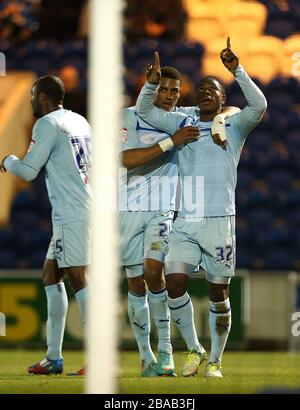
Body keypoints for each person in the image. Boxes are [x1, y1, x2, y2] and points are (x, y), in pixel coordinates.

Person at [136, 39, 267, 378]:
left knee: (218, 292)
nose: (206, 92)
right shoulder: (183, 122)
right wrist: (151, 85)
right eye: (202, 89)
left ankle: (216, 360)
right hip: (186, 221)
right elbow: (147, 112)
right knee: (174, 282)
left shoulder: (234, 125)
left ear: (223, 100)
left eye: (214, 90)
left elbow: (259, 105)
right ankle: (195, 348)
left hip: (220, 221)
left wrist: (236, 70)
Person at [120, 66, 238, 377]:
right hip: (129, 208)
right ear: (153, 88)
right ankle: (148, 356)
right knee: (135, 284)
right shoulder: (130, 116)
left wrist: (224, 117)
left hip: (164, 210)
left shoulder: (184, 116)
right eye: (165, 89)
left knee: (154, 271)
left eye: (176, 90)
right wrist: (170, 142)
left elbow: (227, 107)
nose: (171, 96)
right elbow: (126, 159)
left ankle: (167, 351)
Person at [0, 75, 92, 376]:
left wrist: (8, 160)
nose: (29, 101)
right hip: (82, 207)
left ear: (42, 97)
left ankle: (98, 358)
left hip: (72, 213)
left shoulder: (48, 124)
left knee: (79, 278)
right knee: (51, 275)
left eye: (32, 95)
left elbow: (27, 171)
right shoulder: (79, 120)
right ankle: (53, 357)